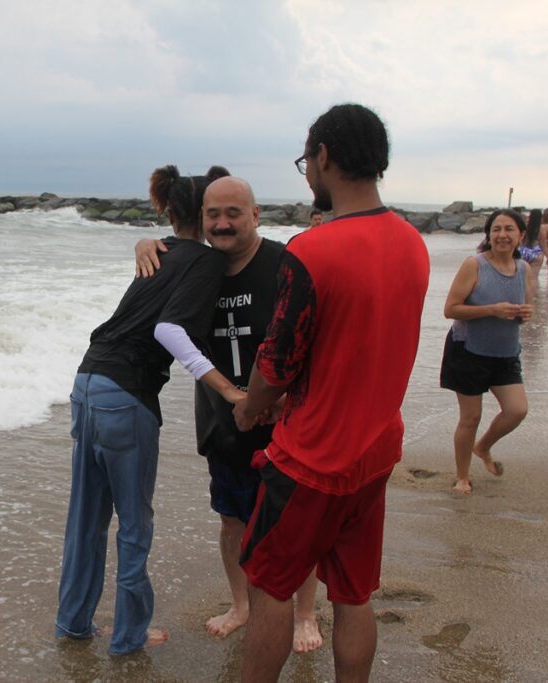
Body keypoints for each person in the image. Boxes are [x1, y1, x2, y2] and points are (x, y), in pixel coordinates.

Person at [232, 103, 430, 682]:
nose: (308, 174)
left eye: (306, 160)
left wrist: (249, 407)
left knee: (269, 585)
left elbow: (277, 364)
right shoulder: (412, 243)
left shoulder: (312, 251)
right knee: (352, 594)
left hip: (311, 459)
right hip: (376, 453)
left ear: (324, 156)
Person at [54, 164, 246, 656]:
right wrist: (229, 391)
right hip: (126, 395)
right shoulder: (205, 262)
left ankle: (74, 624)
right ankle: (129, 637)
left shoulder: (157, 250)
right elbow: (170, 331)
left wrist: (143, 242)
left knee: (87, 518)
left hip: (86, 379)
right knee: (134, 526)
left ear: (170, 210)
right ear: (202, 216)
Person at [134, 177, 323, 651]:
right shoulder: (198, 268)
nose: (221, 223)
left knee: (295, 527)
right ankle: (241, 604)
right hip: (223, 421)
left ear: (256, 215)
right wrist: (143, 244)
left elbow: (316, 338)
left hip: (285, 424)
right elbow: (159, 281)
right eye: (212, 214)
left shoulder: (285, 264)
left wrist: (285, 397)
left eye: (233, 213)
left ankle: (305, 613)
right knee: (232, 520)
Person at [441, 209, 533, 495]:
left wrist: (525, 314)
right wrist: (491, 310)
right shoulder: (475, 265)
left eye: (509, 229)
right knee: (471, 417)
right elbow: (450, 309)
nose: (502, 235)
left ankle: (484, 446)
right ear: (489, 234)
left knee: (517, 410)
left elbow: (522, 309)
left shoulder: (524, 269)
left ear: (520, 235)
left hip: (505, 353)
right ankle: (462, 476)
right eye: (496, 229)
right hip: (467, 350)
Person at [520, 209, 546, 282]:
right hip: (536, 253)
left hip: (524, 252)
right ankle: (533, 293)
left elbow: (520, 240)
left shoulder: (525, 227)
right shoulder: (541, 230)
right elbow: (543, 245)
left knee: (522, 277)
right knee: (533, 278)